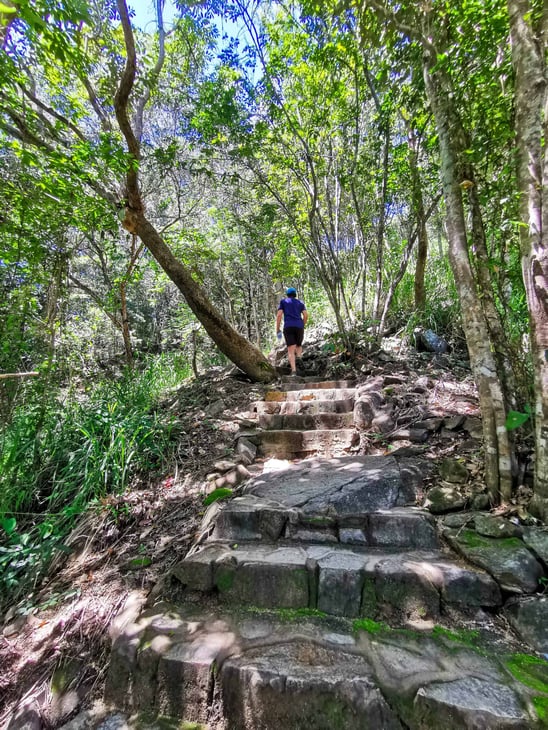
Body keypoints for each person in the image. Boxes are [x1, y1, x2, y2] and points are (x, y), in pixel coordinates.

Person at [276, 286, 308, 376]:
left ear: (287, 294)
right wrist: (302, 324)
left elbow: (279, 315)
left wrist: (277, 329)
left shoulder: (284, 302)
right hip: (299, 326)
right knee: (298, 345)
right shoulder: (300, 303)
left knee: (290, 349)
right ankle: (299, 358)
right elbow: (305, 315)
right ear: (295, 295)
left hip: (289, 326)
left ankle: (294, 371)